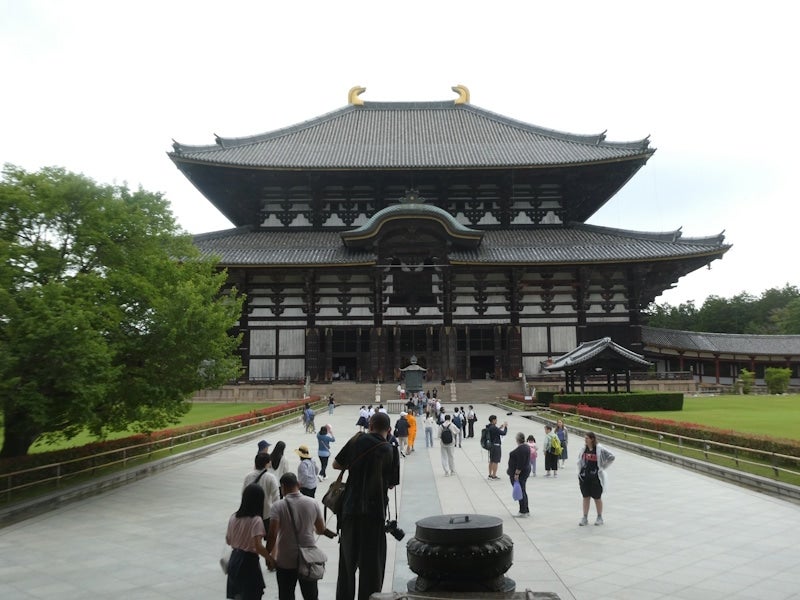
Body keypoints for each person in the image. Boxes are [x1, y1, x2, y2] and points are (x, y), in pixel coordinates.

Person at [333, 412, 400, 600]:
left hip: (349, 511)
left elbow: (336, 464)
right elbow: (391, 483)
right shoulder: (391, 451)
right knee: (372, 567)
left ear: (370, 426)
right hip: (374, 513)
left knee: (346, 566)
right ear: (389, 430)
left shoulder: (356, 441)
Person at [266, 473, 337, 600]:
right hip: (308, 559)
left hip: (285, 559)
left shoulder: (278, 506)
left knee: (286, 595)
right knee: (311, 596)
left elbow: (272, 535)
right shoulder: (312, 503)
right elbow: (320, 529)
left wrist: (268, 555)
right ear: (298, 485)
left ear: (282, 487)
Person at [226, 483, 271, 600]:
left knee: (238, 595)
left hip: (234, 560)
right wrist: (270, 558)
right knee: (252, 594)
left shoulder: (233, 517)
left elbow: (228, 540)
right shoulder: (256, 520)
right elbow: (258, 546)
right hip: (249, 563)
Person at [577, 432, 615, 526]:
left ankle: (599, 517)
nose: (585, 440)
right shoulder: (584, 449)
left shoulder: (599, 449)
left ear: (592, 439)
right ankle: (585, 517)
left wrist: (602, 466)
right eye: (585, 438)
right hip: (584, 477)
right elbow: (580, 461)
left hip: (595, 477)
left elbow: (611, 456)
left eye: (587, 438)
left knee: (597, 497)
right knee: (585, 497)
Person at [243, 453, 281, 536]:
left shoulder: (248, 477)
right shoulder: (271, 478)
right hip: (266, 514)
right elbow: (276, 498)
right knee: (270, 539)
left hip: (251, 514)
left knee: (253, 540)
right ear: (267, 464)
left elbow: (244, 495)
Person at [507, 432, 532, 517]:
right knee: (523, 490)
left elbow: (521, 462)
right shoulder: (526, 447)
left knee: (520, 490)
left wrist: (517, 473)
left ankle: (523, 511)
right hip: (525, 470)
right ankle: (526, 509)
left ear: (517, 439)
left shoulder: (521, 449)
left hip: (520, 473)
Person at [486, 415, 508, 480]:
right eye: (496, 420)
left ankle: (490, 474)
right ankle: (494, 475)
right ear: (493, 420)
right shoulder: (494, 428)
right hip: (496, 446)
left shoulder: (489, 426)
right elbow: (503, 433)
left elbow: (496, 431)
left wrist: (500, 427)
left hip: (491, 446)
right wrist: (505, 427)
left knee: (491, 461)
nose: (496, 421)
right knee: (495, 461)